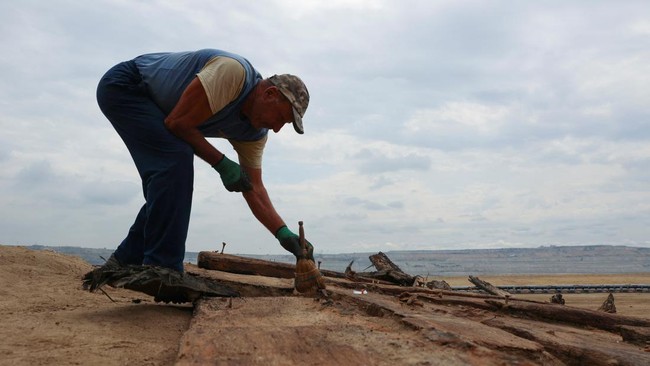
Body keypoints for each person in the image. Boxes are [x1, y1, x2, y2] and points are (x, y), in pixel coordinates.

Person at [96, 49, 315, 273]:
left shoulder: (254, 133)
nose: (277, 129)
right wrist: (221, 163)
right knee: (176, 159)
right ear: (269, 94)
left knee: (170, 178)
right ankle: (162, 268)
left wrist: (282, 233)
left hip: (159, 109)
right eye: (280, 118)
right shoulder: (233, 74)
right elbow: (178, 123)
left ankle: (125, 261)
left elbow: (253, 186)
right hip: (128, 86)